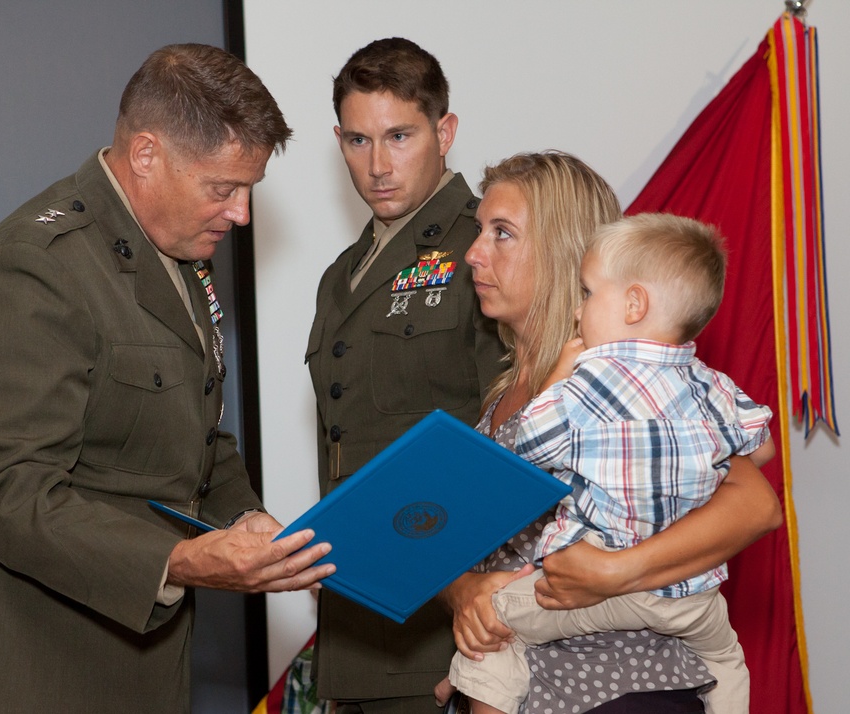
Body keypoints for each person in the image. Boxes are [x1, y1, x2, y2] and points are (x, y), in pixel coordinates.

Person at [0, 44, 334, 714]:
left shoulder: (181, 256)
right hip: (25, 669)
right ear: (147, 155)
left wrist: (249, 522)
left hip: (138, 665)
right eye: (222, 188)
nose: (240, 214)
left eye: (249, 190)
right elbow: (8, 490)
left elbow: (198, 440)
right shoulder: (35, 267)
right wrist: (178, 563)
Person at [437, 152, 783, 714]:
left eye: (501, 234)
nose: (473, 253)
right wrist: (464, 593)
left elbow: (755, 504)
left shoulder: (627, 380)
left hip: (620, 686)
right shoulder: (504, 391)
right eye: (480, 231)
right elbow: (478, 541)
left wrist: (614, 570)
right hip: (528, 686)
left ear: (564, 253)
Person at [305, 38, 507, 713]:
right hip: (360, 624)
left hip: (454, 630)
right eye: (358, 141)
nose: (378, 164)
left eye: (400, 136)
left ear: (444, 132)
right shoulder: (342, 275)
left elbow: (515, 438)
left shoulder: (484, 244)